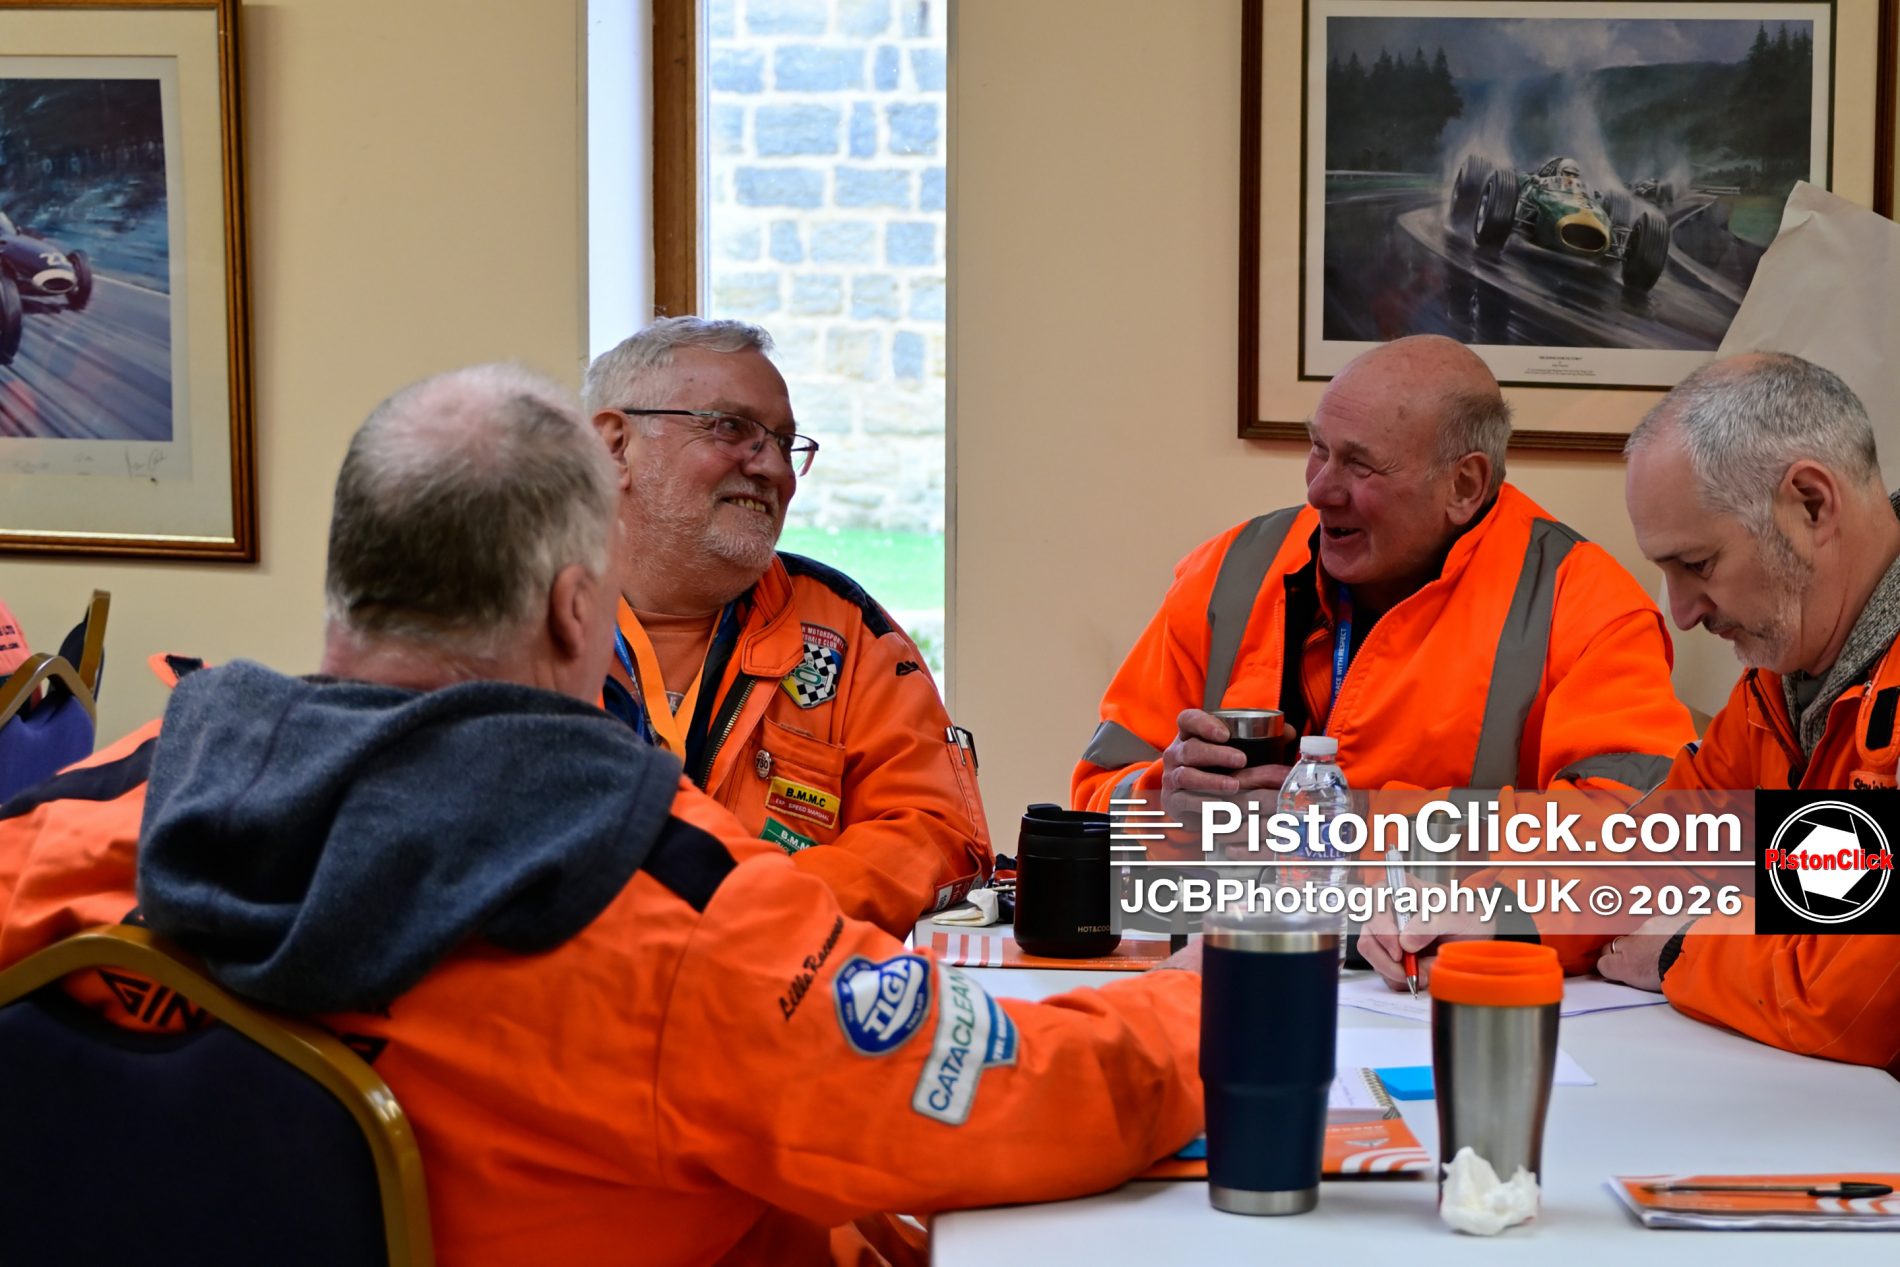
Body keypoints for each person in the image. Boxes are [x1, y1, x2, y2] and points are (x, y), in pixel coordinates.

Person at [0, 365, 1205, 1265]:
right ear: (581, 612)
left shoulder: (85, 815)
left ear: (346, 583)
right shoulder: (660, 919)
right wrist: (1217, 998)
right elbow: (1013, 1102)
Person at [1075, 334, 1693, 830]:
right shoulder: (1227, 573)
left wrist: (1348, 824)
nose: (1319, 489)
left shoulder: (1586, 606)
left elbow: (1637, 833)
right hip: (1231, 955)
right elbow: (1093, 799)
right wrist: (1165, 798)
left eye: (1360, 464)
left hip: (1436, 972)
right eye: (1318, 448)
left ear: (1464, 486)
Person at [584, 319, 988, 938]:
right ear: (614, 446)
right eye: (732, 428)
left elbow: (935, 831)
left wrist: (750, 909)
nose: (774, 467)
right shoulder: (506, 620)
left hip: (781, 998)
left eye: (785, 442)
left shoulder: (848, 635)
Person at [1599, 351, 1900, 1076]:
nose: (1682, 612)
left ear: (1811, 504)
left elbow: (1849, 999)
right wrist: (1488, 916)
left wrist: (1679, 947)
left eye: (1698, 565)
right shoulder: (1780, 679)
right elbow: (1666, 852)